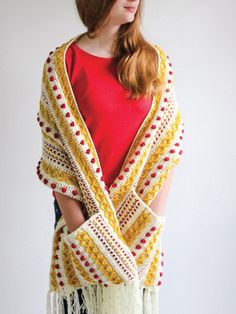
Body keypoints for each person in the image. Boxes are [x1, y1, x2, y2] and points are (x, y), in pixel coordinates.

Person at [36, 0, 184, 313]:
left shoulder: (155, 61)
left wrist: (150, 225)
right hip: (80, 218)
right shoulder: (62, 64)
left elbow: (166, 152)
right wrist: (84, 236)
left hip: (139, 221)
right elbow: (57, 159)